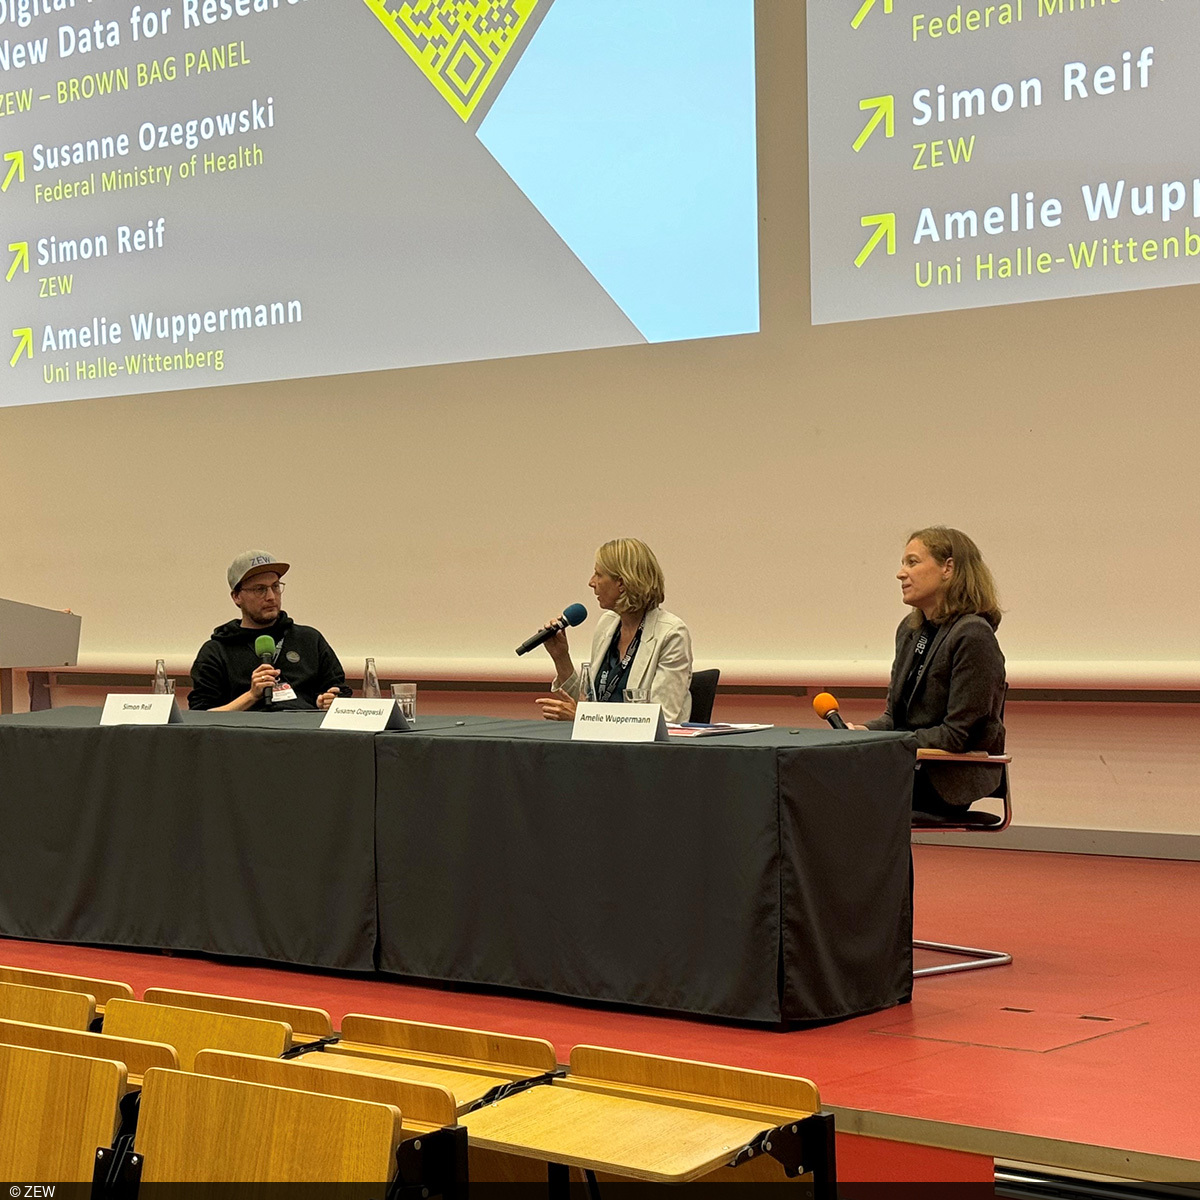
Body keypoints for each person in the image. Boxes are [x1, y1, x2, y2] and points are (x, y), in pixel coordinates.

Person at [852, 526, 1006, 815]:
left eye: (912, 562)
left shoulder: (973, 635)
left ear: (948, 568)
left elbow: (956, 736)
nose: (900, 574)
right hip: (909, 764)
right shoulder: (909, 631)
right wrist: (863, 732)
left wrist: (884, 743)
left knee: (830, 791)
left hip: (945, 776)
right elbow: (894, 719)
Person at [535, 538, 694, 723]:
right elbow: (588, 703)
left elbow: (661, 720)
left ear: (621, 583)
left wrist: (582, 717)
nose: (591, 582)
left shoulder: (671, 634)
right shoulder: (608, 624)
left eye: (598, 574)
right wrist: (561, 657)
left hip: (645, 742)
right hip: (598, 740)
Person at [188, 551, 349, 712]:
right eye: (260, 589)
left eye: (275, 586)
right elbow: (201, 717)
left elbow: (341, 694)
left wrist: (329, 702)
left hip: (305, 726)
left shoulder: (309, 640)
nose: (271, 596)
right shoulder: (217, 651)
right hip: (246, 728)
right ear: (236, 597)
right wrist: (251, 696)